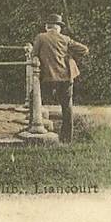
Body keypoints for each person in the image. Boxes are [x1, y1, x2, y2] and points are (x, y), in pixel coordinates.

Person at [30, 14, 89, 142]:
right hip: (66, 77)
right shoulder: (65, 39)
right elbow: (84, 49)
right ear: (58, 27)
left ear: (47, 27)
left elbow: (33, 55)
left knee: (34, 99)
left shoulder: (40, 37)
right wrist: (69, 55)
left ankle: (33, 126)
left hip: (48, 77)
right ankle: (67, 139)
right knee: (67, 107)